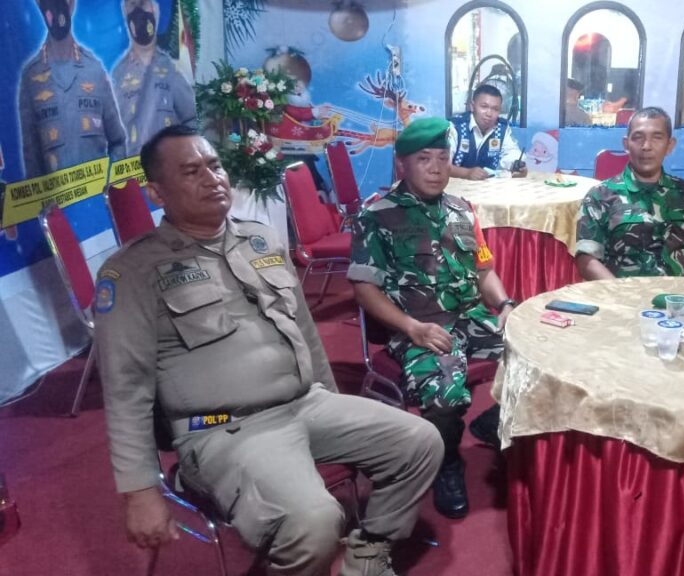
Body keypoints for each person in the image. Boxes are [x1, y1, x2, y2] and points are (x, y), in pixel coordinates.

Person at [94, 124, 441, 576]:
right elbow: (125, 389)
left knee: (420, 442)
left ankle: (368, 555)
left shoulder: (261, 239)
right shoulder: (132, 271)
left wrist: (332, 397)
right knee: (315, 521)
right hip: (223, 429)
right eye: (192, 171)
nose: (212, 179)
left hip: (307, 404)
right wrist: (140, 490)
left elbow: (305, 332)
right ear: (157, 192)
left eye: (215, 166)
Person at [350, 117, 513, 519]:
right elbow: (364, 289)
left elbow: (484, 270)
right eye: (424, 159)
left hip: (471, 316)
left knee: (536, 353)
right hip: (418, 325)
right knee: (445, 393)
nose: (437, 168)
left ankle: (492, 422)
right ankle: (447, 461)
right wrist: (411, 328)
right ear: (401, 163)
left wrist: (506, 305)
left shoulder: (461, 210)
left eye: (443, 158)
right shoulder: (377, 216)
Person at [575, 107, 684, 280]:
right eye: (638, 137)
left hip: (676, 294)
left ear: (670, 145)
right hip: (622, 292)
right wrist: (617, 292)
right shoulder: (601, 196)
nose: (646, 146)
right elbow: (586, 259)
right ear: (626, 144)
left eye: (657, 137)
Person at [19, 0, 126, 179]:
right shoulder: (31, 77)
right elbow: (32, 164)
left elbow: (118, 142)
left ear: (73, 3)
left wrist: (111, 183)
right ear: (38, 4)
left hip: (100, 194)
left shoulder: (94, 69)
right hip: (56, 196)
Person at [112, 0, 197, 156]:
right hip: (132, 165)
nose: (138, 11)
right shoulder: (117, 74)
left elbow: (190, 118)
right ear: (124, 12)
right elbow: (114, 133)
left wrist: (185, 154)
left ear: (155, 11)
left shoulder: (173, 70)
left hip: (168, 162)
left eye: (142, 3)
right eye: (132, 5)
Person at [447, 84, 526, 180]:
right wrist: (467, 173)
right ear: (472, 106)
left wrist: (517, 165)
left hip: (488, 186)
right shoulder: (455, 126)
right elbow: (442, 165)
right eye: (484, 107)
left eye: (495, 109)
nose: (489, 114)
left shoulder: (502, 128)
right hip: (455, 185)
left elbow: (511, 152)